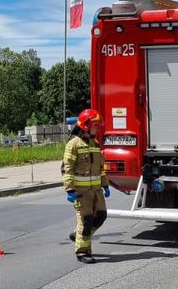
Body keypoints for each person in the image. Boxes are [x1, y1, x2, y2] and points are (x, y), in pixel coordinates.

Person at [62, 109, 110, 264]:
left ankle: (78, 235)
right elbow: (66, 168)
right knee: (86, 220)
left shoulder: (95, 144)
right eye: (95, 126)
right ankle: (82, 252)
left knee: (101, 216)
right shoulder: (73, 144)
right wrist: (70, 190)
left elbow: (100, 168)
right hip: (81, 192)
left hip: (96, 191)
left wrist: (105, 185)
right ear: (86, 126)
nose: (97, 128)